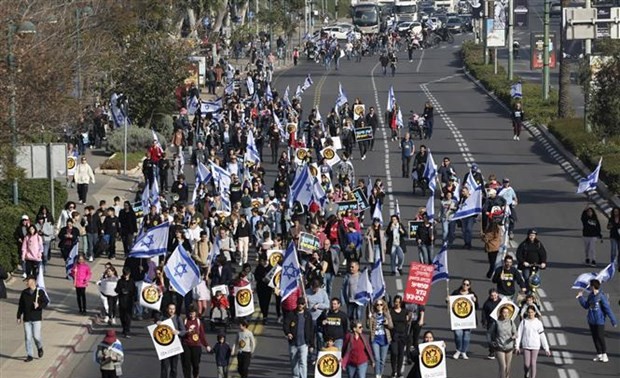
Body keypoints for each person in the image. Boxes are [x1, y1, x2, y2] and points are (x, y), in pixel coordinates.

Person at [576, 279, 617, 363]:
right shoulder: (591, 295)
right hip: (591, 320)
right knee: (595, 338)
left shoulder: (601, 296)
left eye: (590, 285)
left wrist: (613, 320)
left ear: (593, 286)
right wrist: (580, 297)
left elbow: (607, 309)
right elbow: (586, 306)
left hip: (599, 320)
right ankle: (599, 354)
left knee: (600, 337)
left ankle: (604, 354)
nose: (589, 287)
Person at [17, 275, 49, 362]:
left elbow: (46, 302)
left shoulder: (40, 292)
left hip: (36, 318)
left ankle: (39, 347)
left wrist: (39, 306)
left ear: (32, 281)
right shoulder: (24, 293)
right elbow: (21, 305)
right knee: (28, 337)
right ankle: (30, 355)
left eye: (27, 281)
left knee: (36, 337)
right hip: (27, 318)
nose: (26, 283)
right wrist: (18, 316)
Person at [283, 297, 315, 378]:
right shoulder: (291, 314)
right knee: (294, 362)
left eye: (302, 304)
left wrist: (311, 344)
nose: (300, 305)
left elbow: (311, 330)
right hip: (293, 343)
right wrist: (288, 333)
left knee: (303, 362)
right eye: (299, 303)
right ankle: (296, 376)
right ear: (296, 304)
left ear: (304, 304)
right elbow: (285, 325)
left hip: (304, 343)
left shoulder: (307, 315)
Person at [516, 305, 551, 377]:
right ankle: (526, 373)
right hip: (526, 345)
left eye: (532, 312)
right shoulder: (524, 322)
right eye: (529, 312)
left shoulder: (538, 323)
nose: (530, 314)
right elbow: (519, 334)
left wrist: (546, 348)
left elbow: (542, 336)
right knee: (527, 364)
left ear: (535, 313)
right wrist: (517, 346)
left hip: (535, 346)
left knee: (533, 363)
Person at [450, 279, 478, 360]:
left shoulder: (472, 295)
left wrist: (475, 301)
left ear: (470, 286)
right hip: (457, 319)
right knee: (458, 335)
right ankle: (458, 349)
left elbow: (476, 307)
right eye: (464, 284)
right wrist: (447, 300)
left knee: (466, 336)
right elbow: (450, 302)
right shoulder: (456, 292)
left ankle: (463, 351)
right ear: (462, 284)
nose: (465, 286)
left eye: (467, 284)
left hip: (468, 319)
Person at [158, 303, 187, 378]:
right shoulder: (163, 318)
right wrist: (157, 323)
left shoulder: (178, 318)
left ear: (175, 310)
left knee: (174, 368)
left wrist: (178, 332)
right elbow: (156, 329)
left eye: (173, 309)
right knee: (164, 367)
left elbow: (183, 331)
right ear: (167, 309)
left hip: (175, 347)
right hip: (165, 347)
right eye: (170, 309)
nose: (171, 310)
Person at [181, 305, 211, 378]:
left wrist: (206, 345)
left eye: (193, 313)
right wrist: (187, 331)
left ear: (196, 313)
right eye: (190, 313)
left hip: (196, 345)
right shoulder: (185, 320)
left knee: (196, 364)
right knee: (186, 364)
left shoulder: (198, 321)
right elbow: (181, 332)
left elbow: (202, 335)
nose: (191, 315)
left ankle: (195, 375)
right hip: (186, 345)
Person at [367, 299, 393, 378]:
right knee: (377, 358)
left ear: (383, 305)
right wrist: (369, 318)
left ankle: (380, 374)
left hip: (385, 340)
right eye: (377, 305)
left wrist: (387, 323)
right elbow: (368, 326)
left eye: (381, 304)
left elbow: (391, 326)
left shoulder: (387, 314)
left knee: (382, 360)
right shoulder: (373, 315)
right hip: (375, 339)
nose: (379, 306)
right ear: (375, 306)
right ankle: (377, 375)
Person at [490, 306, 517, 378]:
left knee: (508, 367)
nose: (506, 314)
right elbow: (490, 333)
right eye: (504, 312)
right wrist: (492, 342)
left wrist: (514, 336)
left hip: (509, 346)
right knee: (503, 366)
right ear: (501, 313)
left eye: (507, 313)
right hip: (499, 346)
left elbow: (515, 332)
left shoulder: (511, 322)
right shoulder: (496, 322)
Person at [115, 266, 136, 338]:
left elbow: (134, 291)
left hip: (129, 301)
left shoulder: (132, 281)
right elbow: (116, 289)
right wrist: (121, 291)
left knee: (128, 316)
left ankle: (127, 330)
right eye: (125, 274)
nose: (126, 276)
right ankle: (124, 328)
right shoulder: (120, 281)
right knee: (122, 316)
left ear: (129, 274)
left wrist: (131, 294)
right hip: (122, 301)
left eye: (127, 274)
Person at [481, 288, 502, 360]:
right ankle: (492, 350)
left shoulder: (502, 302)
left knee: (498, 337)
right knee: (489, 337)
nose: (494, 297)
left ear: (497, 294)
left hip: (500, 322)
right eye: (492, 295)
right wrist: (484, 321)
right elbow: (484, 312)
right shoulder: (487, 303)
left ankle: (498, 351)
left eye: (495, 295)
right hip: (491, 322)